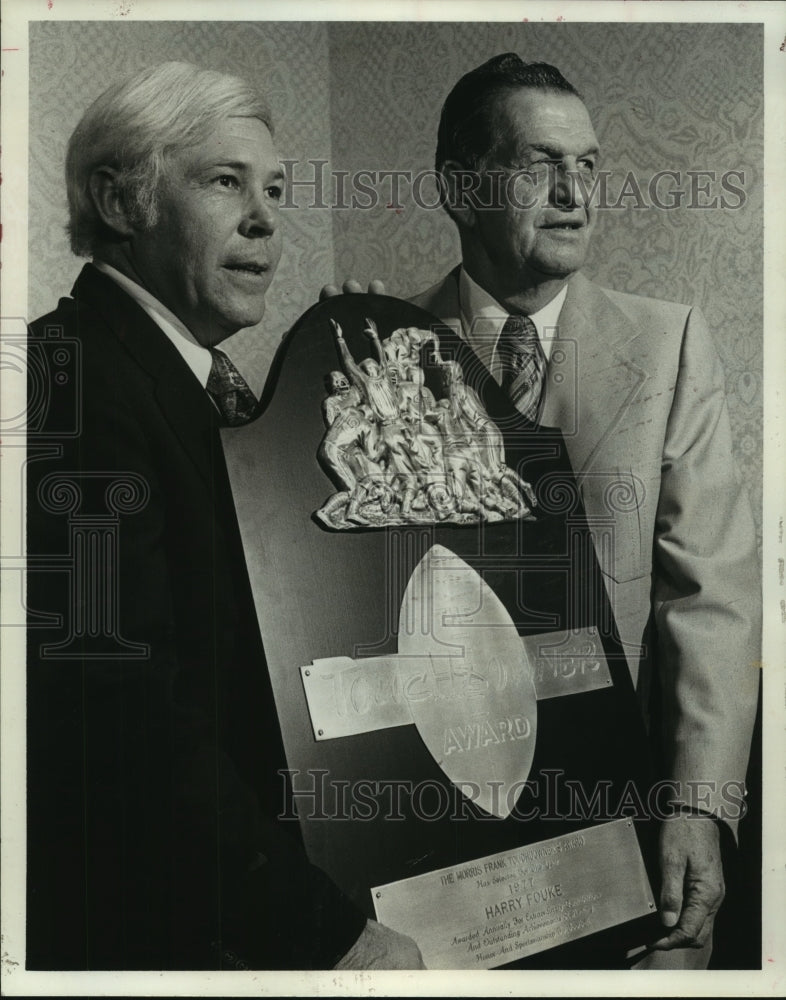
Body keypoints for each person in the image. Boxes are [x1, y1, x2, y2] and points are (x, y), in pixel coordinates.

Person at [26, 60, 423, 971]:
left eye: (275, 190)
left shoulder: (191, 385)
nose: (266, 220)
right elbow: (119, 714)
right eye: (224, 182)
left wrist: (326, 407)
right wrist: (324, 932)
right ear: (120, 202)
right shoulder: (69, 385)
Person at [409, 53, 760, 969]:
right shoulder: (384, 351)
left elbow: (711, 595)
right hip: (443, 824)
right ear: (459, 185)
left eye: (589, 164)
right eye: (538, 164)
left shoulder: (669, 341)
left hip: (631, 810)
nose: (575, 192)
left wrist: (698, 808)